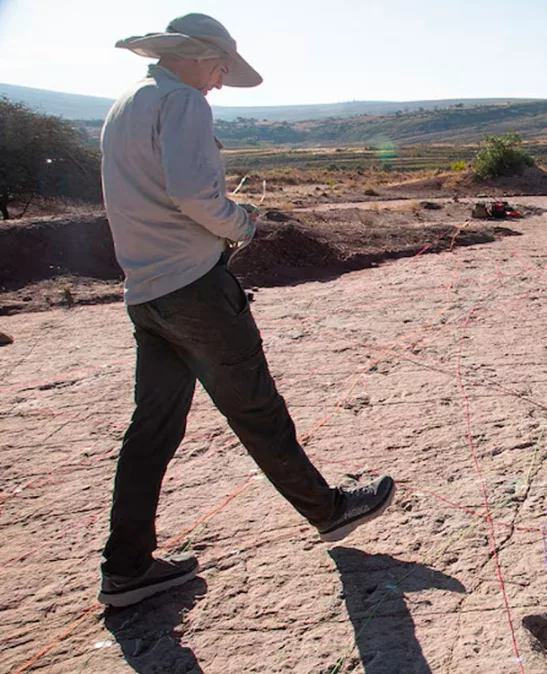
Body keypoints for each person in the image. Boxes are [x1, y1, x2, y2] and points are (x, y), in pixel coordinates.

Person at [98, 13, 395, 608]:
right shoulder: (182, 101)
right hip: (195, 288)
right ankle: (330, 510)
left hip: (146, 291)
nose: (219, 82)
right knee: (257, 410)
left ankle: (126, 567)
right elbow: (192, 194)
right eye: (220, 69)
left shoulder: (128, 101)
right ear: (199, 56)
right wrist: (243, 223)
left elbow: (161, 192)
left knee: (151, 429)